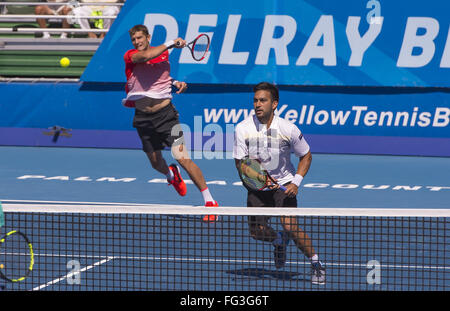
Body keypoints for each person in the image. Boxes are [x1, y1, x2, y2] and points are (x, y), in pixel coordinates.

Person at [233, 82, 325, 285]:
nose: (258, 104)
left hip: (284, 184)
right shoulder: (242, 128)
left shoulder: (287, 128)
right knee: (256, 233)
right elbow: (240, 163)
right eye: (255, 100)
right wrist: (255, 182)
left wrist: (296, 182)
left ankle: (317, 265)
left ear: (274, 104)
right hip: (258, 187)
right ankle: (278, 241)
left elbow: (306, 155)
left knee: (291, 226)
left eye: (263, 100)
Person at [123, 24, 218, 221]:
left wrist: (175, 83)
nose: (137, 42)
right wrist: (170, 43)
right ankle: (170, 175)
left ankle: (210, 202)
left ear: (148, 37)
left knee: (182, 157)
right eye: (134, 39)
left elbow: (159, 73)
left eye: (140, 38)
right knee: (155, 162)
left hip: (166, 116)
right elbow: (146, 58)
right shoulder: (131, 55)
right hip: (143, 118)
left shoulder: (163, 55)